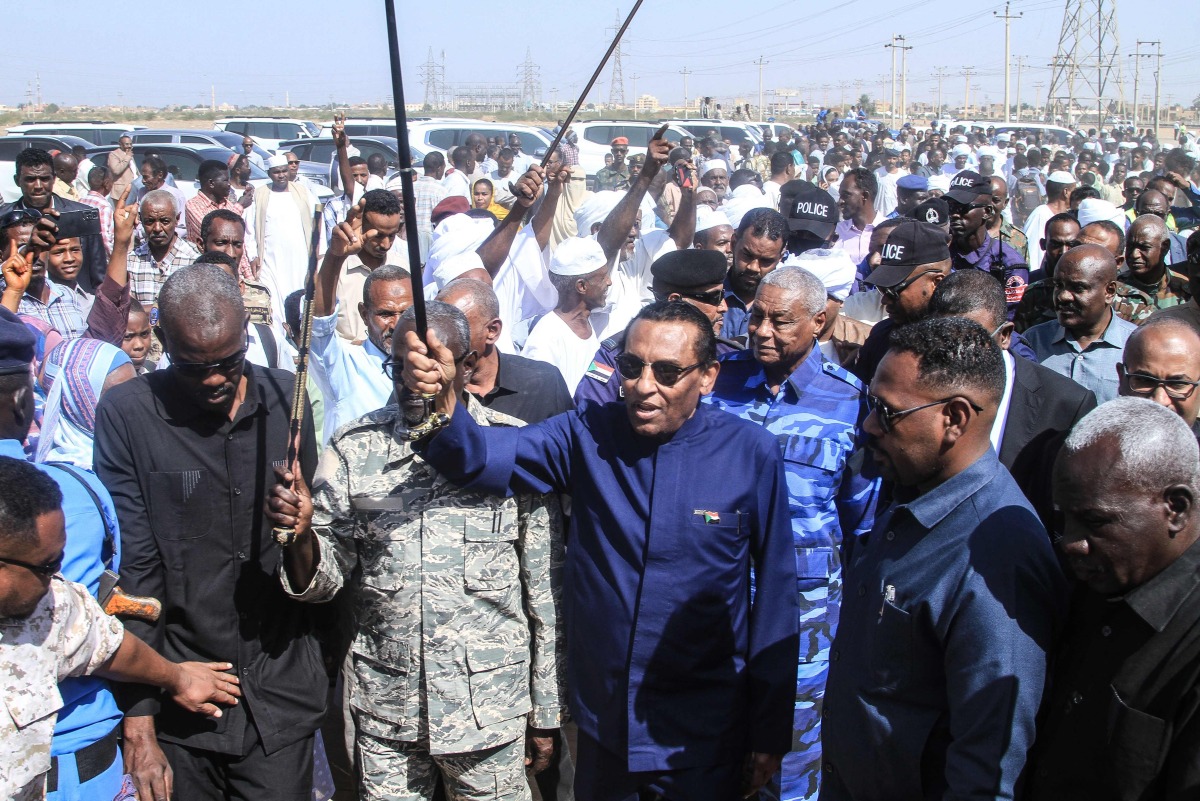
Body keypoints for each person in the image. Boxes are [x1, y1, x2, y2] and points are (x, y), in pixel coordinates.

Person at [400, 300, 798, 801]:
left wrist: (769, 731)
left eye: (667, 372)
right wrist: (439, 396)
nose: (643, 386)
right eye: (631, 367)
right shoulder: (586, 433)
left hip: (704, 733)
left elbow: (777, 594)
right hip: (608, 727)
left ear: (708, 376)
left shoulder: (750, 452)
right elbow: (476, 456)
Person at [265, 302, 566, 801]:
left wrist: (547, 712)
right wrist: (299, 538)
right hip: (389, 712)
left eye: (429, 364)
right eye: (400, 366)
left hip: (490, 711)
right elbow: (325, 579)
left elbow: (544, 595)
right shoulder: (355, 449)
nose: (412, 380)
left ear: (468, 365)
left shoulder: (513, 448)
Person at [93, 264, 326, 801]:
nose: (215, 380)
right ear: (162, 341)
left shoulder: (286, 401)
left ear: (246, 333)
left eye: (228, 362)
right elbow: (135, 572)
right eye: (193, 368)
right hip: (183, 699)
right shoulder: (128, 415)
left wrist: (301, 530)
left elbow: (310, 551)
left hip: (279, 696)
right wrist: (141, 724)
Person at [821, 316, 1068, 801]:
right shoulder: (913, 492)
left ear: (954, 419)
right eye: (870, 405)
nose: (868, 426)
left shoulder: (999, 560)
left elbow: (987, 770)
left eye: (887, 412)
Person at [706, 266, 879, 801]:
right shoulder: (718, 383)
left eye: (779, 321)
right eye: (756, 316)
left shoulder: (850, 402)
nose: (761, 330)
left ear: (819, 322)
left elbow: (863, 523)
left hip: (803, 622)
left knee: (789, 763)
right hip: (715, 606)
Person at [0, 455, 242, 801]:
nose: (56, 576)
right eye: (47, 565)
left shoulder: (53, 604)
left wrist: (179, 678)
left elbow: (110, 648)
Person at [1025, 398, 1200, 799]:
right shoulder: (1091, 583)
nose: (1071, 543)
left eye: (1095, 521)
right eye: (1064, 518)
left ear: (1175, 509)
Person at [927, 269, 1096, 528]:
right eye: (943, 343)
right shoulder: (916, 390)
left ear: (1004, 336)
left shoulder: (1066, 406)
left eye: (971, 344)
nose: (956, 357)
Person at [307, 196, 412, 443]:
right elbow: (320, 325)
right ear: (365, 314)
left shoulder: (422, 368)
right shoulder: (345, 368)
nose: (396, 324)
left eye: (405, 313)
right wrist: (335, 257)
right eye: (385, 314)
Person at [574, 249, 737, 408]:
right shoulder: (617, 354)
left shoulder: (728, 356)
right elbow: (589, 417)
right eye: (715, 297)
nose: (724, 307)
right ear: (675, 301)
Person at [437, 278, 574, 424]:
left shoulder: (545, 383)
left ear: (492, 331)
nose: (440, 339)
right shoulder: (434, 390)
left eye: (455, 329)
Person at [1024, 244, 1136, 403]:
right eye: (1058, 285)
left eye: (1078, 288)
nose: (1063, 296)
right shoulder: (1032, 342)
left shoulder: (1135, 346)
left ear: (1109, 292)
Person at [848, 221, 952, 384]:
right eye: (882, 288)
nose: (885, 299)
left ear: (936, 282)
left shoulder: (962, 346)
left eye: (894, 289)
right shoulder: (882, 335)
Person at [1, 149, 108, 292]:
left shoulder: (81, 216)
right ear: (17, 180)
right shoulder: (4, 219)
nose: (38, 186)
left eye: (44, 179)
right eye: (30, 179)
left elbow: (98, 274)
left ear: (54, 178)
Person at [522, 238, 609, 395]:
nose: (609, 282)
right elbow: (538, 398)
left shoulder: (588, 325)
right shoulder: (546, 338)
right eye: (603, 278)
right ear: (582, 286)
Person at [944, 171, 1027, 316]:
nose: (955, 214)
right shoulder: (939, 254)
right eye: (951, 207)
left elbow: (1009, 318)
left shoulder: (1009, 264)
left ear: (987, 211)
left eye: (963, 208)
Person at [248, 154, 315, 327]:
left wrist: (319, 254)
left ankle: (298, 333)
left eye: (284, 171)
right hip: (270, 258)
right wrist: (253, 255)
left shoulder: (303, 192)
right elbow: (249, 228)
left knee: (299, 296)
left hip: (300, 258)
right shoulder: (260, 194)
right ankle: (280, 332)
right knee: (274, 299)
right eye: (276, 172)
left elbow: (317, 222)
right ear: (269, 174)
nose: (281, 175)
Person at [1118, 316, 1200, 440]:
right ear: (1121, 378)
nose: (1160, 401)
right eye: (1145, 380)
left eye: (1177, 384)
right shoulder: (1095, 447)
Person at [722, 209, 788, 342]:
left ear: (780, 257)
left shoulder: (786, 306)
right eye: (747, 255)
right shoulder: (706, 296)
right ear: (733, 243)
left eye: (766, 261)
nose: (753, 267)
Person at [1116, 213, 1190, 323]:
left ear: (1165, 247)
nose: (1134, 254)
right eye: (1130, 246)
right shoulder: (1115, 288)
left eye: (1144, 248)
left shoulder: (1186, 290)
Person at [184, 160, 245, 256]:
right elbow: (216, 231)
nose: (229, 184)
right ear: (211, 183)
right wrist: (240, 206)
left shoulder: (227, 204)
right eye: (225, 180)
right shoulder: (193, 205)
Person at [1023, 170, 1076, 271]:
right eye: (1074, 191)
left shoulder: (1067, 216)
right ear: (1065, 192)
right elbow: (1033, 253)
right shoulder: (1041, 214)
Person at [832, 168, 885, 267]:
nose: (840, 201)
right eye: (840, 195)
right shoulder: (835, 232)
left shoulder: (889, 232)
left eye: (846, 195)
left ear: (864, 196)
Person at [76, 167, 116, 257]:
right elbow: (104, 236)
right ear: (106, 183)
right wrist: (112, 257)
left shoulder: (81, 201)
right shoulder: (104, 206)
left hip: (83, 253)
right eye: (112, 181)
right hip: (99, 257)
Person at [106, 136, 137, 201]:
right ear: (120, 144)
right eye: (127, 144)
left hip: (132, 189)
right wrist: (127, 157)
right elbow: (116, 170)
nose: (129, 146)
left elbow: (134, 170)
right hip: (121, 191)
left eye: (130, 144)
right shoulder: (114, 154)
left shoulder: (129, 153)